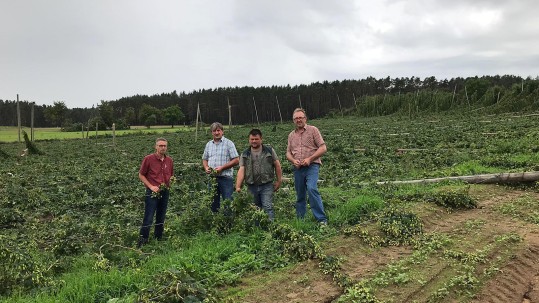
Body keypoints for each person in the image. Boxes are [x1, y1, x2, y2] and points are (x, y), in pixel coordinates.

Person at [286, 108, 328, 225]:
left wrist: (310, 159)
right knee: (300, 194)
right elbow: (288, 153)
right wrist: (293, 160)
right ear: (293, 120)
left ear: (305, 118)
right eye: (296, 118)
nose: (298, 120)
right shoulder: (291, 135)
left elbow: (323, 147)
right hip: (298, 168)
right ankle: (301, 220)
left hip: (312, 166)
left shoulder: (313, 130)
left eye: (300, 117)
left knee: (311, 188)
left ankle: (321, 219)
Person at [235, 129, 283, 220]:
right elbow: (241, 170)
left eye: (256, 139)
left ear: (261, 139)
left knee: (267, 206)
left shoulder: (269, 150)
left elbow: (277, 165)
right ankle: (257, 229)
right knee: (254, 208)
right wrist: (238, 186)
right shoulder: (245, 154)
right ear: (249, 140)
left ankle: (270, 228)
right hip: (251, 185)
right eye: (252, 139)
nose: (254, 141)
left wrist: (279, 181)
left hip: (267, 184)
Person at [137, 137, 174, 248]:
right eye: (160, 145)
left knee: (161, 216)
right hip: (152, 192)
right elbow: (141, 174)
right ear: (156, 147)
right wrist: (151, 186)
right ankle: (142, 242)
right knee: (148, 217)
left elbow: (171, 175)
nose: (163, 148)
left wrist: (170, 182)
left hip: (165, 191)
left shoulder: (169, 160)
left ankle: (158, 239)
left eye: (164, 146)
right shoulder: (148, 159)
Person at [202, 122, 239, 212]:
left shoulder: (229, 143)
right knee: (213, 203)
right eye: (214, 131)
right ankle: (216, 222)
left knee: (228, 202)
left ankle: (228, 223)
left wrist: (222, 168)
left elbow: (236, 160)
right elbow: (204, 159)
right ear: (211, 132)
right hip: (212, 178)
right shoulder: (209, 144)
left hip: (225, 178)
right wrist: (206, 167)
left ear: (222, 131)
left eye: (218, 130)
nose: (216, 133)